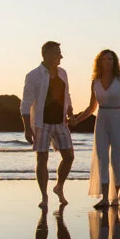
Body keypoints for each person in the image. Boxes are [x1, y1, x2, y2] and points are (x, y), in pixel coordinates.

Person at [70, 49, 120, 209]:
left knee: (116, 159)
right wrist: (77, 120)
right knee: (102, 158)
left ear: (114, 62)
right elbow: (91, 107)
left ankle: (114, 196)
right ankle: (104, 199)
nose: (108, 62)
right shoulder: (95, 80)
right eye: (104, 59)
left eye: (110, 59)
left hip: (118, 119)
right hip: (102, 119)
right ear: (99, 62)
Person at [21, 41, 74, 209]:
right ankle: (44, 196)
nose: (61, 56)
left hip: (60, 122)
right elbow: (26, 103)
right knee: (42, 158)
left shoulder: (63, 73)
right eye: (58, 53)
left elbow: (67, 94)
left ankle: (59, 186)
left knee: (69, 156)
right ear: (47, 54)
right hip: (42, 123)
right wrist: (27, 128)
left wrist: (70, 109)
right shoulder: (33, 76)